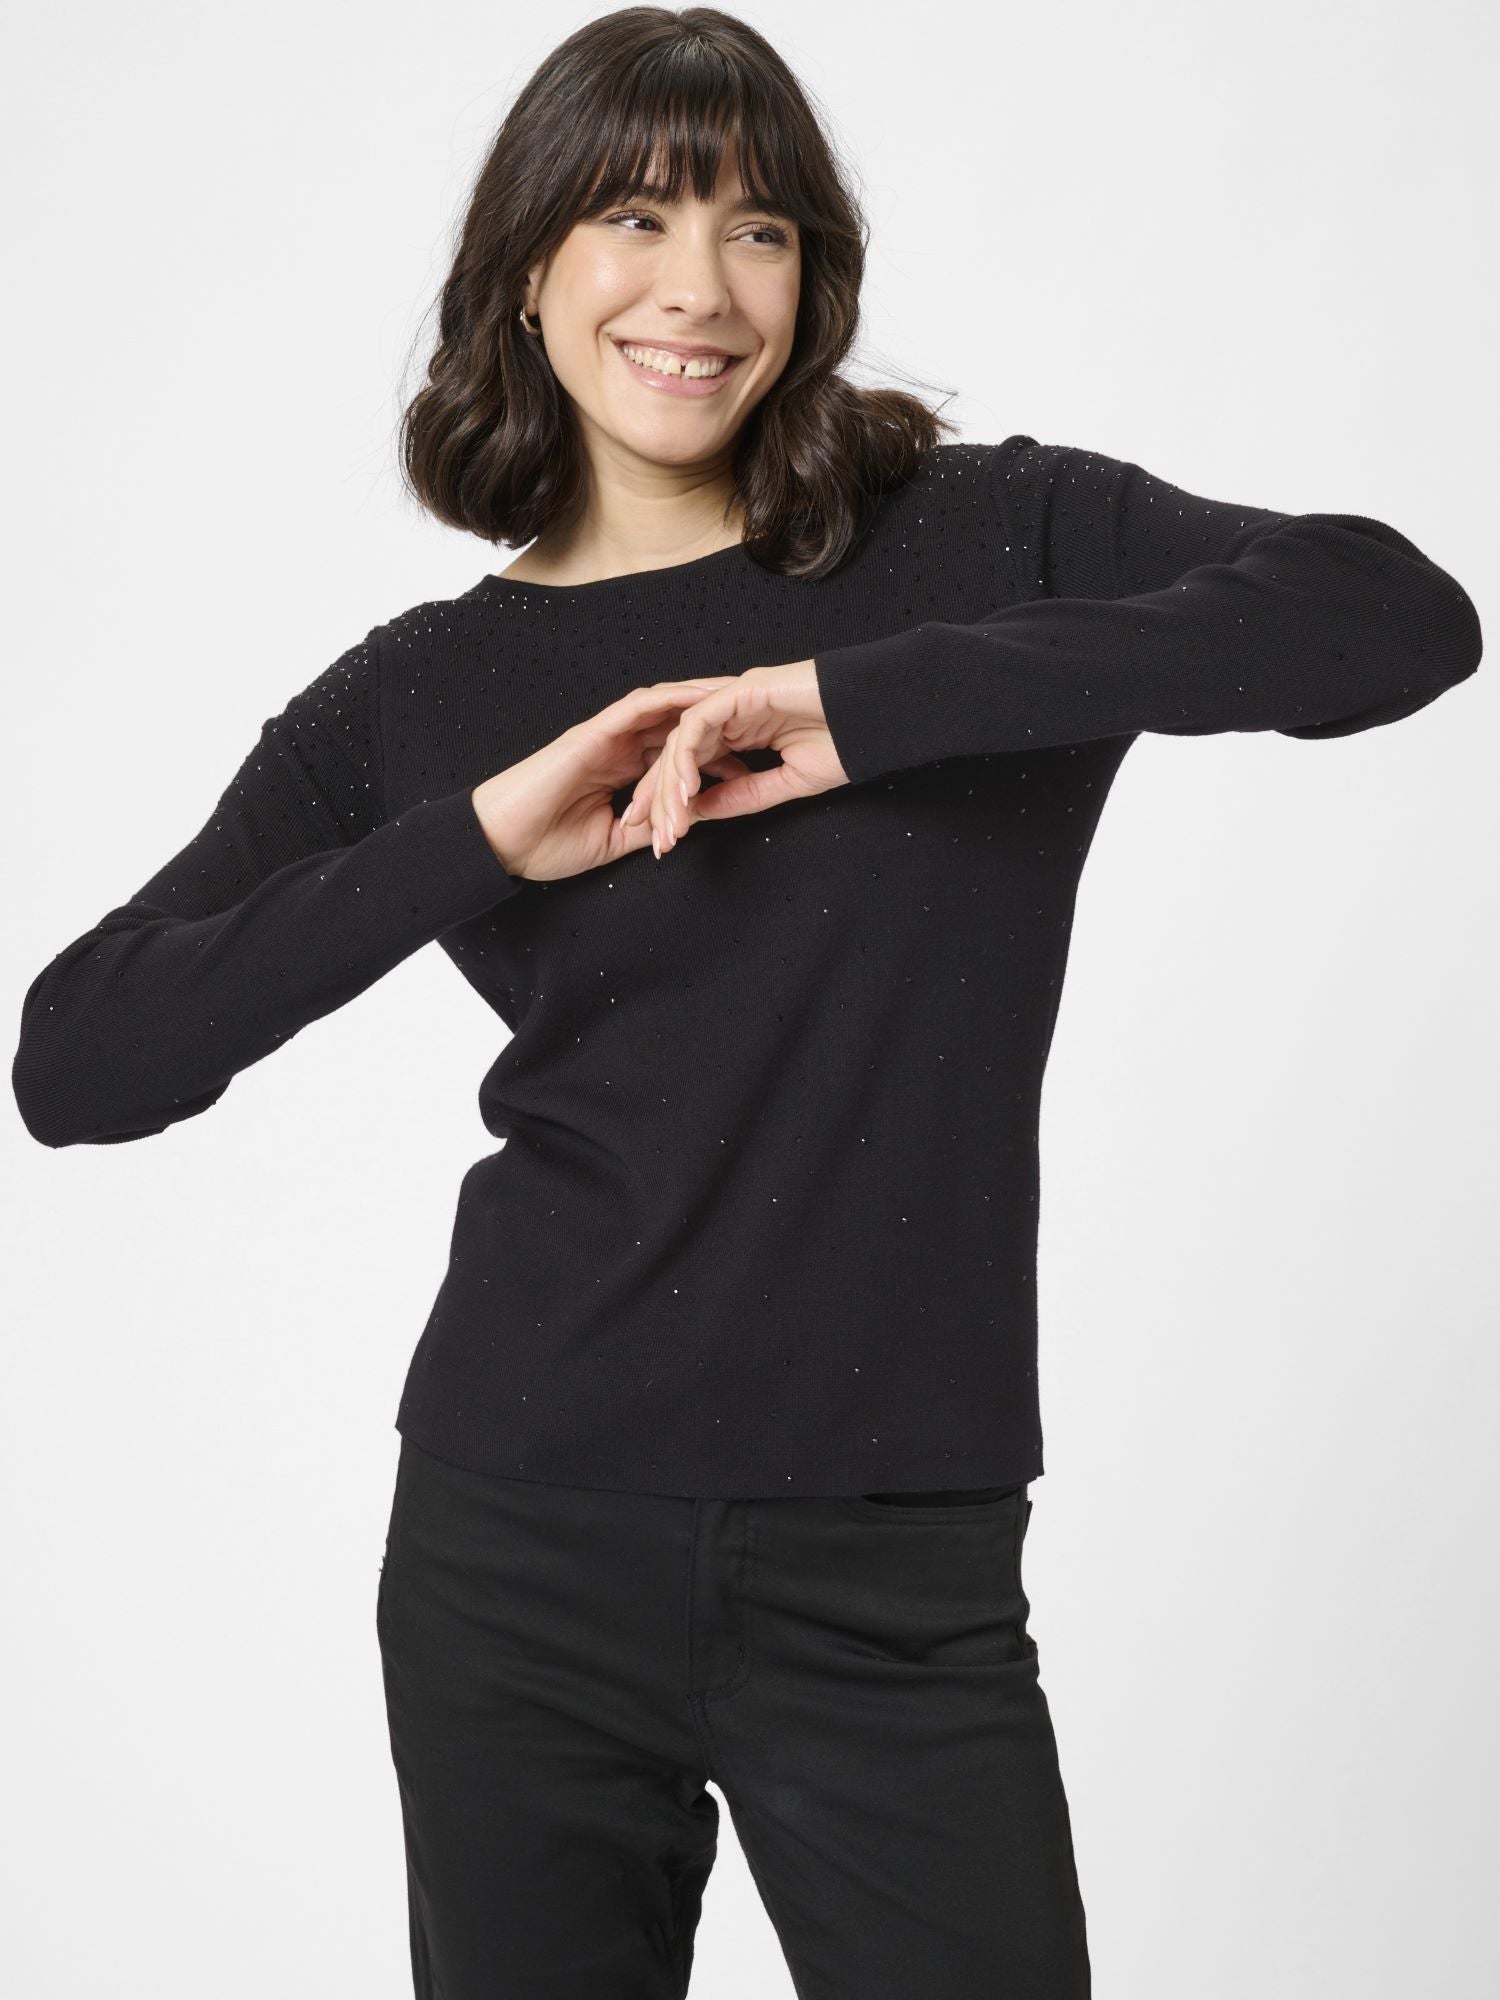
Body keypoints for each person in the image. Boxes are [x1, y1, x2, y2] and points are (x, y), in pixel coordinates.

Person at [12, 8, 1482, 1997]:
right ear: (526, 272)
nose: (699, 286)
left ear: (813, 275)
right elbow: (82, 1056)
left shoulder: (994, 537)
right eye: (635, 217)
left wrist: (868, 705)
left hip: (895, 1563)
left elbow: (1393, 615)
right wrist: (478, 837)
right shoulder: (418, 695)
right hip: (516, 1543)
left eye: (759, 227)